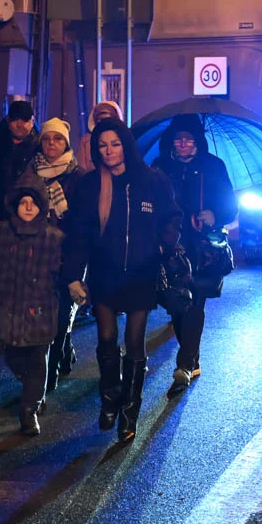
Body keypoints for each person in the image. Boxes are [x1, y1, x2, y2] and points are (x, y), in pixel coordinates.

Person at [62, 118, 181, 442]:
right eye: (102, 145)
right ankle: (110, 396)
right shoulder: (89, 185)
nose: (109, 151)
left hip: (142, 273)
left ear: (126, 145)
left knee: (134, 340)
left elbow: (172, 216)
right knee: (106, 336)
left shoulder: (152, 180)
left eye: (115, 144)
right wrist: (73, 276)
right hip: (105, 271)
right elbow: (78, 234)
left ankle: (130, 410)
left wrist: (163, 244)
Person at [0, 178, 63, 436]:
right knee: (14, 358)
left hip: (41, 311)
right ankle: (31, 388)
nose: (28, 207)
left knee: (37, 361)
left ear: (42, 207)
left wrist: (76, 288)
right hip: (8, 310)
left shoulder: (53, 238)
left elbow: (64, 272)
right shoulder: (2, 234)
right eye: (23, 202)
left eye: (33, 203)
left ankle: (29, 410)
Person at [150, 114, 237, 396]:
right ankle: (192, 357)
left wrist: (215, 214)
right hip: (172, 246)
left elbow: (231, 206)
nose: (184, 144)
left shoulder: (213, 166)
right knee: (177, 305)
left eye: (189, 139)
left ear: (198, 141)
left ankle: (185, 364)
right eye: (179, 139)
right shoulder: (161, 167)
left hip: (202, 248)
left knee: (196, 302)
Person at [19, 117, 86, 392]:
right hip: (36, 254)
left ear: (66, 144)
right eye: (46, 138)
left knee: (60, 317)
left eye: (58, 138)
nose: (51, 144)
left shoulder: (78, 177)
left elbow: (82, 222)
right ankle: (48, 366)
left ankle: (53, 369)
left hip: (67, 253)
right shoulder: (30, 174)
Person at [0, 100, 40, 221]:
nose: (19, 124)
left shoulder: (40, 147)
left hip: (30, 214)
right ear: (8, 120)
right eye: (15, 119)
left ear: (32, 121)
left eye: (25, 120)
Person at [75, 100, 123, 169]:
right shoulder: (86, 140)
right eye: (100, 119)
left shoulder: (124, 138)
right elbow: (81, 169)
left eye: (115, 144)